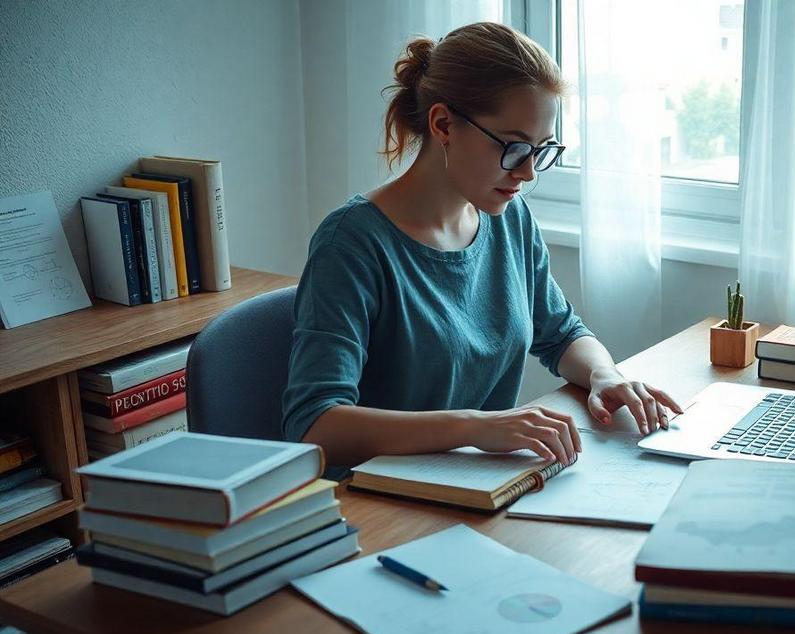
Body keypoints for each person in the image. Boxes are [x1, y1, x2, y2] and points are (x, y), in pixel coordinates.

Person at [281, 22, 682, 467]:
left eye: (541, 150)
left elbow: (561, 333)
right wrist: (475, 426)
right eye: (513, 148)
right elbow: (315, 425)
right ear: (443, 124)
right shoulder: (352, 244)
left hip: (476, 485)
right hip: (381, 506)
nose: (527, 173)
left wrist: (604, 375)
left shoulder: (508, 218)